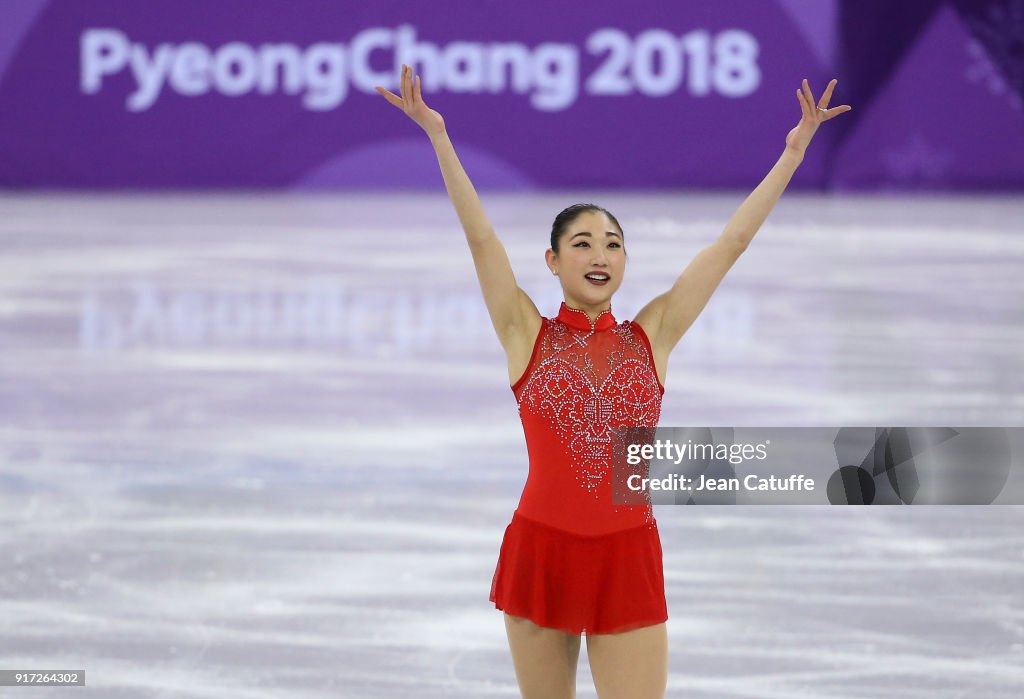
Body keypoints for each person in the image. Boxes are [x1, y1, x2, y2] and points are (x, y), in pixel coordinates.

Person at [376, 64, 850, 699]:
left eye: (613, 244)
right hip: (542, 550)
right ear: (552, 260)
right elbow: (481, 239)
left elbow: (730, 244)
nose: (600, 254)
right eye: (582, 243)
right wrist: (438, 136)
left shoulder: (653, 334)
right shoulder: (526, 334)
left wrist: (792, 154)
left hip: (627, 553)